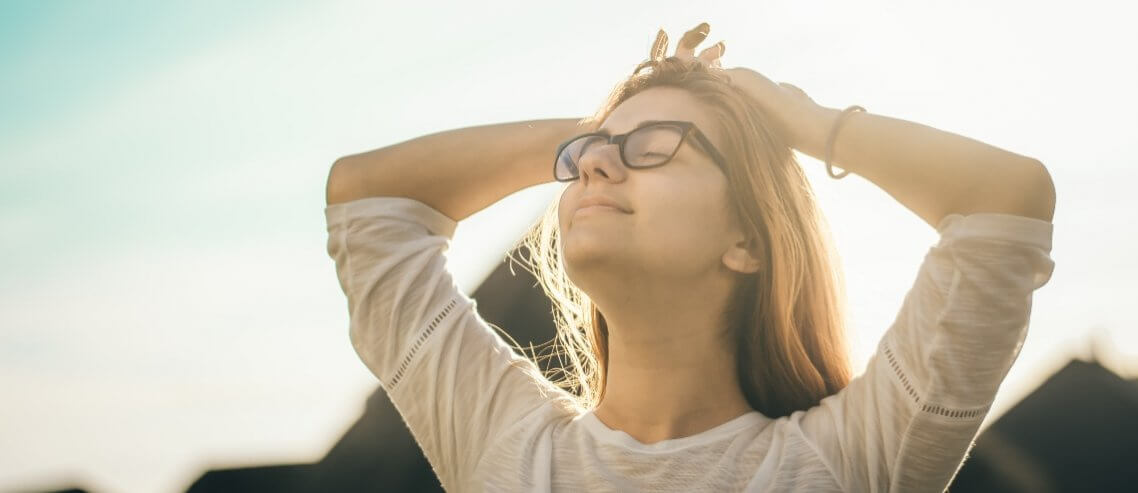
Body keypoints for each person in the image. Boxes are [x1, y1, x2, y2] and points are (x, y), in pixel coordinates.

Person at [323, 22, 1056, 492]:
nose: (598, 168)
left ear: (749, 240)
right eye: (588, 157)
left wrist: (806, 123)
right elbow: (365, 197)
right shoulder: (502, 443)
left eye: (652, 150)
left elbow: (1006, 201)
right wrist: (609, 122)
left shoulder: (850, 460)